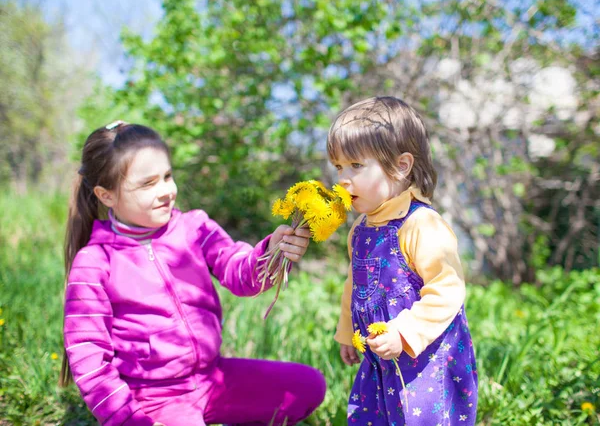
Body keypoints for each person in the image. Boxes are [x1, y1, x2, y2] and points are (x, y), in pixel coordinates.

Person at [59, 121, 326, 426]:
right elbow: (90, 360)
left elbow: (236, 270)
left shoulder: (193, 227)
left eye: (167, 177)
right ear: (106, 196)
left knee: (307, 386)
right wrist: (131, 420)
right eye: (147, 184)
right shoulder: (95, 261)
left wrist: (271, 254)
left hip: (214, 379)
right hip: (154, 398)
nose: (166, 192)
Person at [328, 97, 477, 425]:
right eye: (338, 167)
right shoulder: (360, 228)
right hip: (380, 356)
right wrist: (346, 332)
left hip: (425, 359)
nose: (342, 178)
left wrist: (406, 333)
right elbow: (355, 285)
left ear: (401, 165)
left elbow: (447, 290)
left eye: (355, 166)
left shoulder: (420, 223)